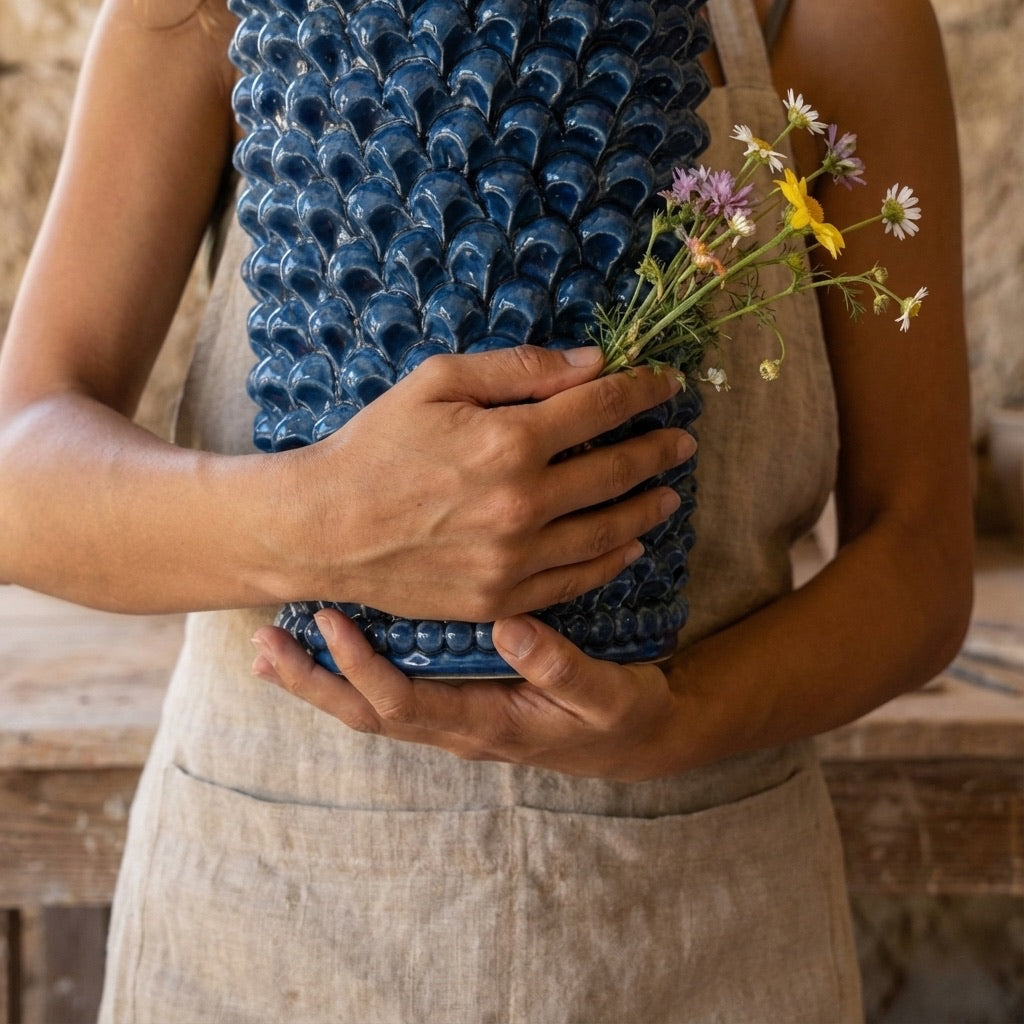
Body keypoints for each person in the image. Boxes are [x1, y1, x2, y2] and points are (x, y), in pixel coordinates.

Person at [0, 0, 972, 1019]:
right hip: (269, 918)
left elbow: (917, 551)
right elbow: (23, 478)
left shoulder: (832, 16)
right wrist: (328, 520)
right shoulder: (194, 14)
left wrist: (680, 719)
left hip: (703, 927)